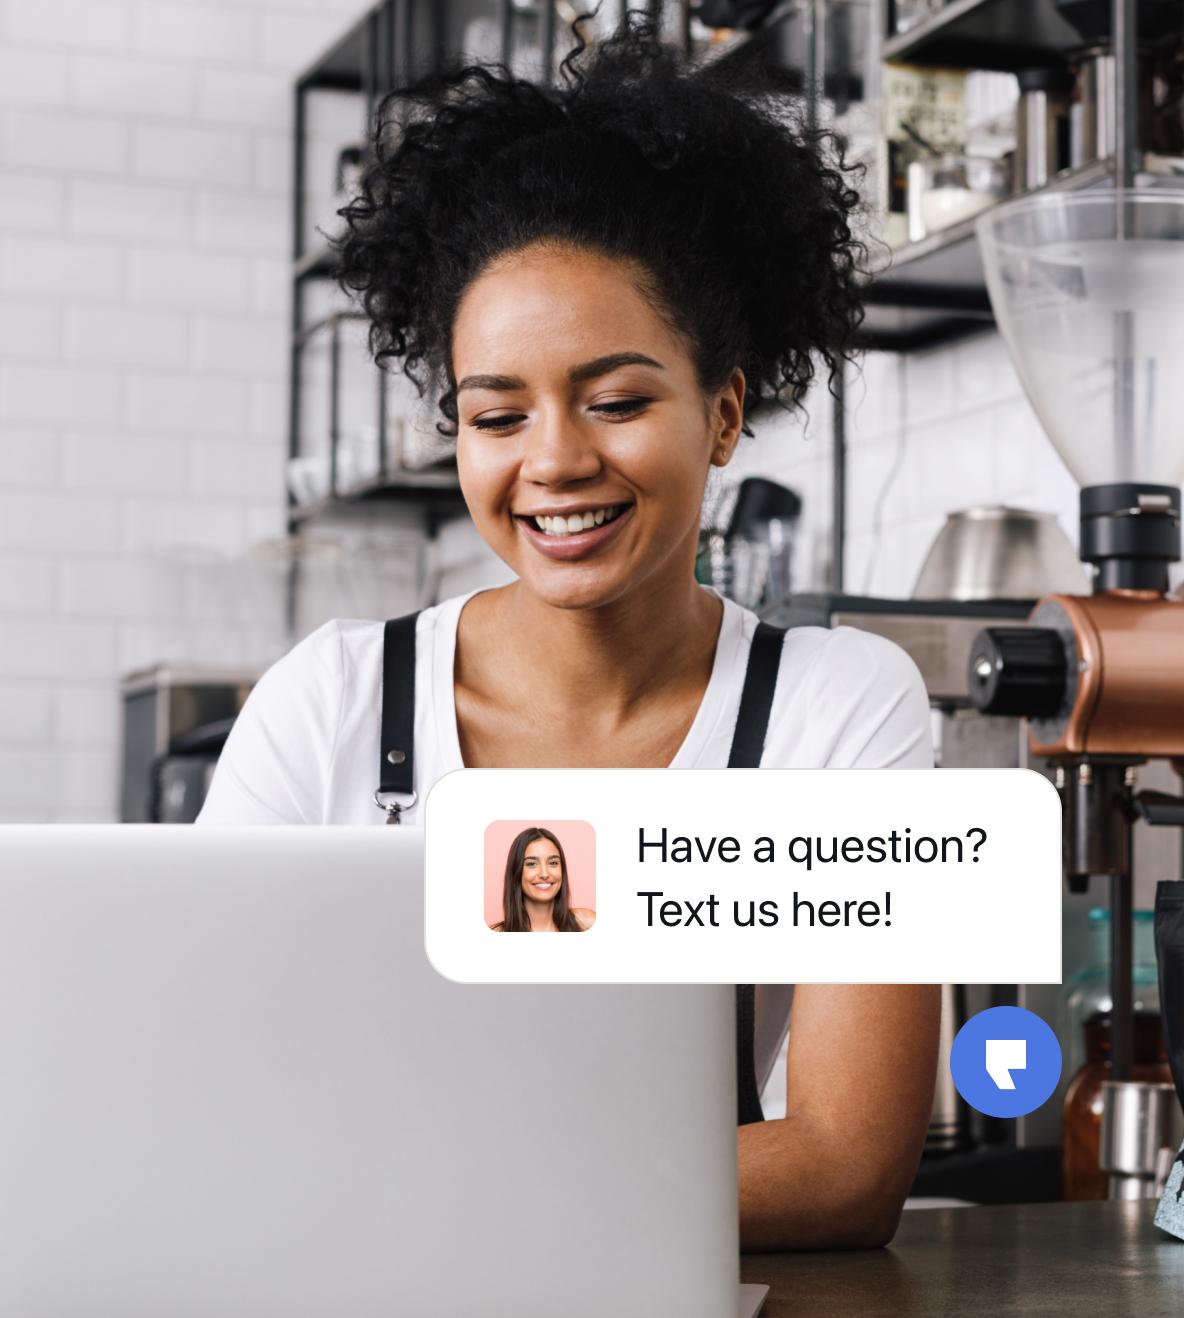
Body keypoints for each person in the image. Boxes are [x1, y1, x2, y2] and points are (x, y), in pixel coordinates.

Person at [197, 8, 940, 1251]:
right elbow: (214, 1090)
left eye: (613, 399)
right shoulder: (330, 702)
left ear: (720, 413)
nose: (554, 461)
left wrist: (412, 1191)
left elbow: (841, 1165)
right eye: (496, 416)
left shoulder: (833, 711)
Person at [489, 826, 595, 932]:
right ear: (516, 871)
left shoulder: (587, 923)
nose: (544, 874)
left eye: (553, 863)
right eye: (531, 864)